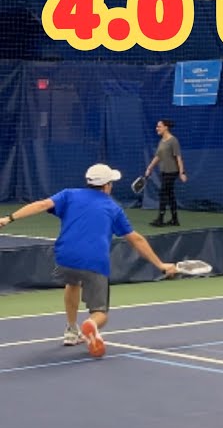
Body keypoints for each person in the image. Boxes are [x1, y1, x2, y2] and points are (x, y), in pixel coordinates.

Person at [0, 164, 176, 354]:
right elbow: (136, 239)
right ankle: (91, 324)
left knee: (72, 282)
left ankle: (71, 330)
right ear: (107, 186)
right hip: (94, 263)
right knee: (100, 313)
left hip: (64, 258)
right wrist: (160, 264)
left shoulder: (69, 195)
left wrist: (8, 218)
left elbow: (41, 205)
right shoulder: (113, 208)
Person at [144, 119, 186, 227]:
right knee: (170, 195)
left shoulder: (173, 140)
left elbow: (178, 157)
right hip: (164, 172)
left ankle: (160, 219)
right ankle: (174, 219)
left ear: (166, 127)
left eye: (159, 126)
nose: (157, 128)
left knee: (163, 193)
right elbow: (158, 156)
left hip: (172, 172)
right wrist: (149, 168)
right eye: (157, 126)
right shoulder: (162, 141)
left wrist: (182, 172)